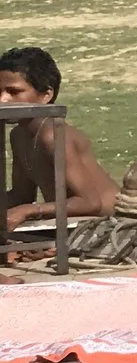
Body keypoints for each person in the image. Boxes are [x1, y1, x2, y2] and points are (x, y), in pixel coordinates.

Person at [0, 46, 120, 253]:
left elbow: (91, 202)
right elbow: (22, 194)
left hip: (108, 224)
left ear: (46, 95)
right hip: (72, 222)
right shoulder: (18, 135)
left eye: (14, 92)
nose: (3, 99)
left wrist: (30, 211)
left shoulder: (53, 136)